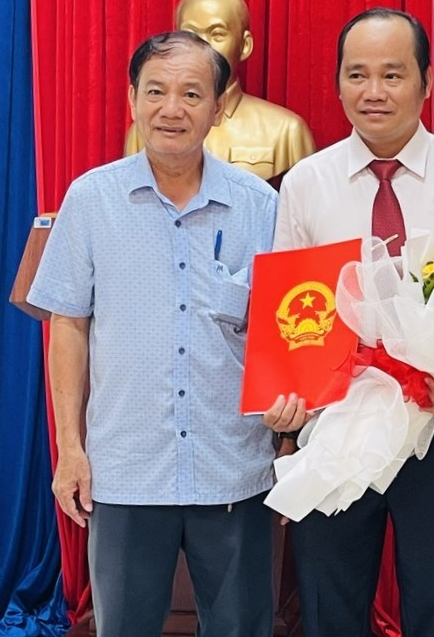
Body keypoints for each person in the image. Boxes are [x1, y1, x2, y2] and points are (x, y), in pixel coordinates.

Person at [263, 7, 434, 637]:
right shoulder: (306, 184)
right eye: (357, 74)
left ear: (426, 82)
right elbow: (288, 309)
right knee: (328, 604)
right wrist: (286, 405)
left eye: (393, 74)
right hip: (336, 421)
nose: (373, 91)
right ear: (338, 83)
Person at [29, 31, 279, 637]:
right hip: (127, 469)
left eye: (192, 94)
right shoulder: (92, 199)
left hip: (233, 466)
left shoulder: (259, 205)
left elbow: (284, 330)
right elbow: (68, 325)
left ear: (217, 108)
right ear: (132, 100)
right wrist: (71, 449)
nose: (172, 109)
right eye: (156, 91)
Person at [124, 0, 315, 184]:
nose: (203, 46)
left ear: (245, 45)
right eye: (191, 34)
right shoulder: (150, 127)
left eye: (217, 34)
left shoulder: (286, 131)